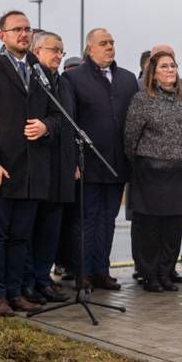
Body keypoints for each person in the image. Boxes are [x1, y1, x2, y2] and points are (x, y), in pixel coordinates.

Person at [0, 10, 61, 316]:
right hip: (2, 169)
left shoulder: (39, 72)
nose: (23, 34)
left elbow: (57, 116)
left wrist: (46, 127)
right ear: (2, 36)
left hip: (33, 169)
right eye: (16, 29)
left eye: (27, 29)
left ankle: (16, 291)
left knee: (22, 235)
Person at [64, 28, 138, 290]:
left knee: (108, 220)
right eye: (103, 43)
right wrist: (73, 161)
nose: (109, 47)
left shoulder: (128, 79)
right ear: (90, 48)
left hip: (117, 164)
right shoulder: (73, 79)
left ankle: (101, 271)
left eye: (112, 42)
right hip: (88, 164)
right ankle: (82, 272)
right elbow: (68, 122)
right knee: (86, 220)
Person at [125, 51, 182, 291]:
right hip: (150, 172)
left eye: (173, 66)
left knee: (173, 226)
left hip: (180, 171)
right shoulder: (142, 99)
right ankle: (150, 274)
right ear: (153, 72)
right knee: (151, 228)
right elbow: (130, 137)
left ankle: (166, 271)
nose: (170, 70)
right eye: (164, 66)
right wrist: (140, 161)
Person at [21, 31, 75, 303]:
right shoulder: (30, 79)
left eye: (61, 51)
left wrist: (74, 163)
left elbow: (67, 122)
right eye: (54, 50)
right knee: (33, 227)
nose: (58, 55)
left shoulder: (62, 83)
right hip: (37, 167)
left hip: (61, 167)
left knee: (51, 229)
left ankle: (43, 279)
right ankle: (28, 281)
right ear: (37, 50)